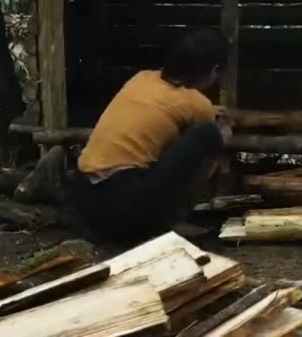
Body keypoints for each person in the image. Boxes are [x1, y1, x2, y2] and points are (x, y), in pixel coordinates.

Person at [68, 28, 232, 242]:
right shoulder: (197, 104)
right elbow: (195, 144)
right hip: (126, 207)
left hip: (85, 198)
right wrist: (221, 136)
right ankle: (171, 219)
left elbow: (162, 115)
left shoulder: (141, 78)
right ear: (213, 70)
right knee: (208, 135)